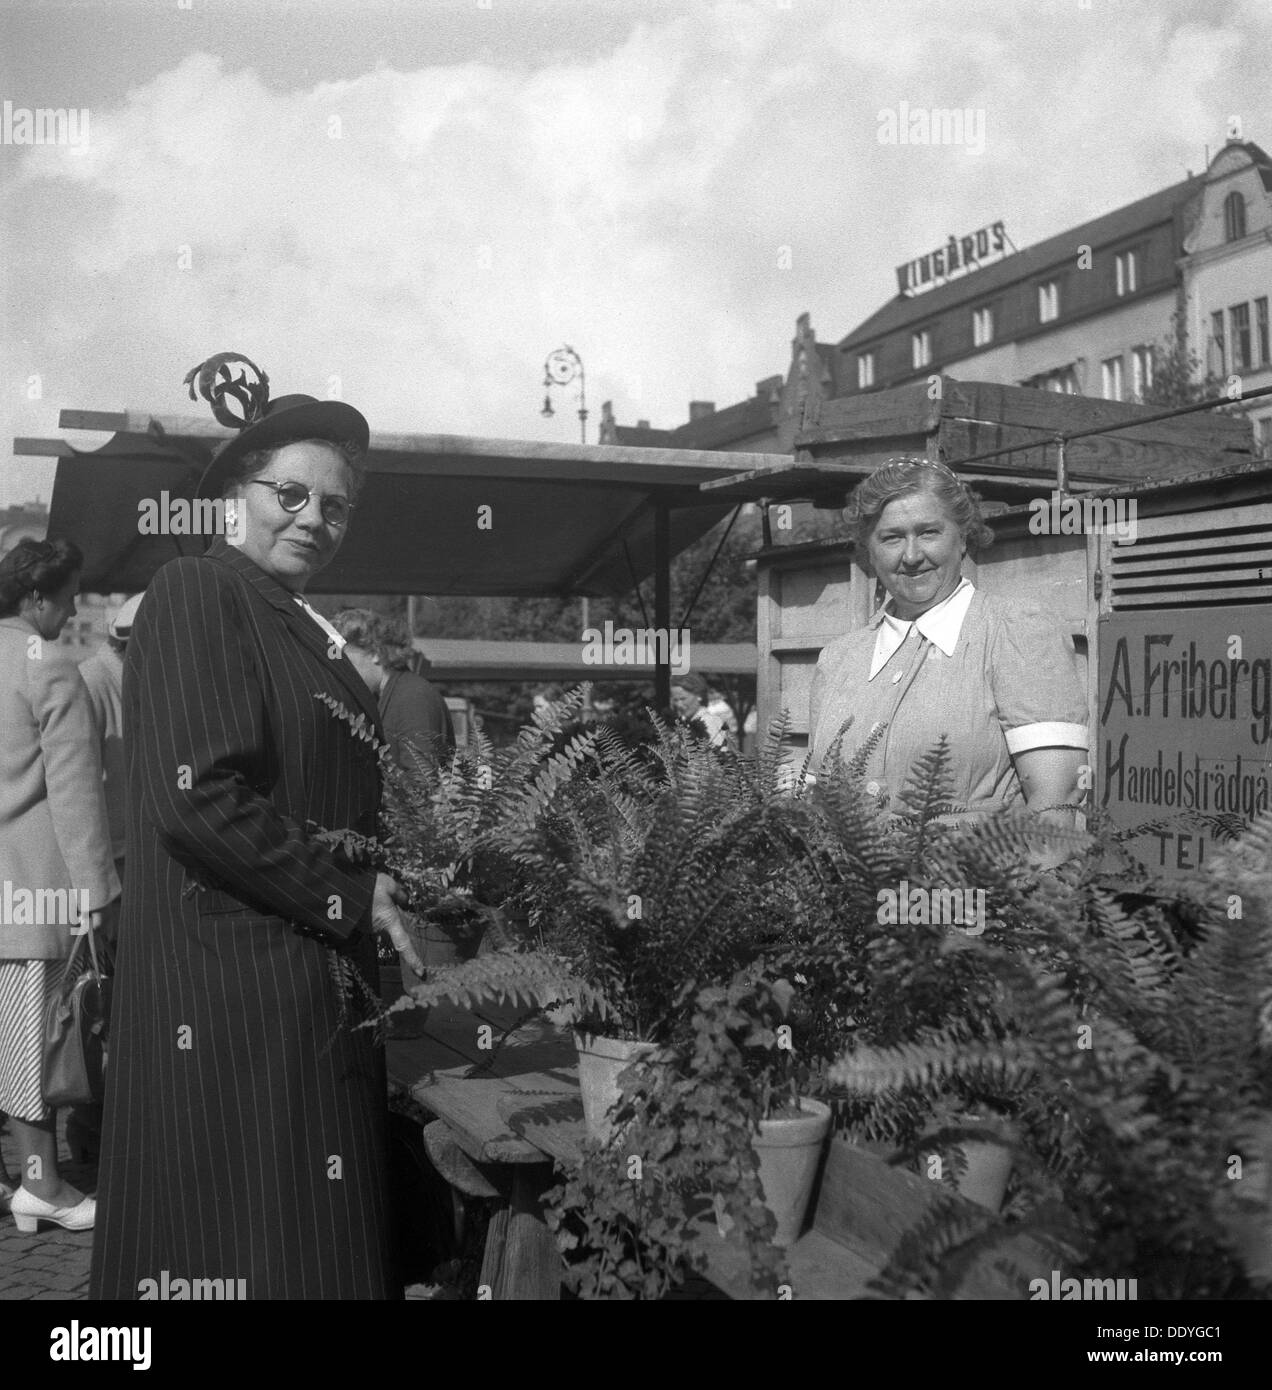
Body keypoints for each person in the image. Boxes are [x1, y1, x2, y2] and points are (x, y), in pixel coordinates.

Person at [90, 359, 423, 1300]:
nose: (314, 518)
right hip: (233, 995)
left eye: (336, 507)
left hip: (288, 990)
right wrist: (353, 890)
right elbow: (197, 798)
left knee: (287, 1246)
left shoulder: (292, 620)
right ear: (235, 496)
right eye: (291, 493)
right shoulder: (202, 590)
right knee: (245, 1247)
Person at [808, 457, 1087, 828]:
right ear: (868, 549)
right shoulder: (839, 659)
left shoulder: (1018, 633)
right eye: (892, 537)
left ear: (963, 537)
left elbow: (1056, 809)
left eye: (929, 533)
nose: (911, 556)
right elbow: (813, 806)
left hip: (977, 882)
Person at [0, 538, 120, 1231]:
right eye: (68, 593)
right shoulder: (51, 668)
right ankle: (43, 1185)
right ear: (35, 597)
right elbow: (76, 793)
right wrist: (99, 891)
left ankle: (30, 1181)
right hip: (36, 888)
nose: (73, 608)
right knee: (34, 1039)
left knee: (11, 1036)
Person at [332, 608, 455, 772]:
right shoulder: (393, 694)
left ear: (376, 653)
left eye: (346, 662)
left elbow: (422, 783)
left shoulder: (413, 698)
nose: (341, 672)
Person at [78, 592, 143, 895]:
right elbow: (76, 785)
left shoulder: (135, 682)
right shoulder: (93, 681)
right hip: (112, 860)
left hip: (135, 851)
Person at [670, 671, 730, 748]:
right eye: (675, 700)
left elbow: (719, 755)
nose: (679, 705)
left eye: (683, 699)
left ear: (699, 695)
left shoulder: (709, 722)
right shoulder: (685, 722)